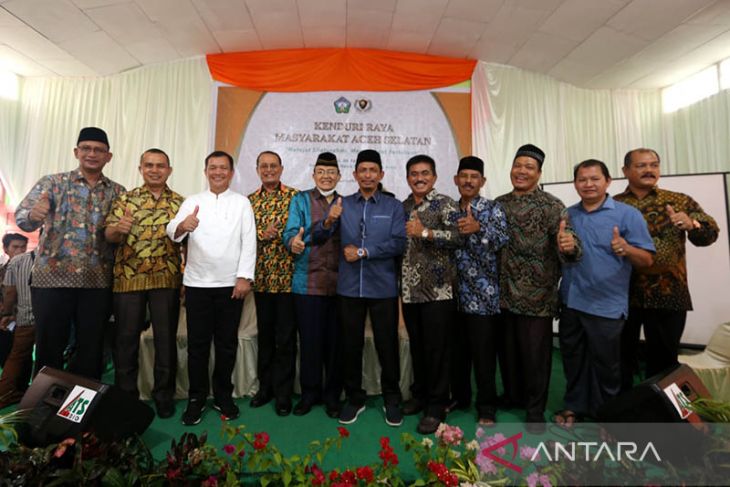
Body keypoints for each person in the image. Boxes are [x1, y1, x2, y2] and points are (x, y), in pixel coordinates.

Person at [15, 127, 125, 380]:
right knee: (48, 348)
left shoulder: (118, 192)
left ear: (109, 157)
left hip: (96, 283)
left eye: (99, 150)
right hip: (52, 280)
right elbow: (23, 219)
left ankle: (80, 414)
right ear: (76, 152)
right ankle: (40, 412)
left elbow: (120, 237)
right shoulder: (52, 183)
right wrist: (33, 215)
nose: (92, 154)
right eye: (86, 148)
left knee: (91, 350)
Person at [556, 159, 655, 426]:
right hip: (572, 301)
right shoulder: (568, 215)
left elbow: (646, 259)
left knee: (607, 366)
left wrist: (627, 248)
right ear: (575, 183)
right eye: (582, 179)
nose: (588, 184)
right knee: (573, 360)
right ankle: (574, 407)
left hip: (606, 305)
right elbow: (566, 258)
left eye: (594, 179)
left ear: (608, 181)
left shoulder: (627, 215)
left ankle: (608, 418)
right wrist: (563, 248)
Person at [314, 149, 406, 426]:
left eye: (372, 170)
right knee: (350, 346)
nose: (367, 175)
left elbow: (399, 243)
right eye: (362, 170)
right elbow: (319, 236)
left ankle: (392, 398)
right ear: (354, 175)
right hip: (350, 289)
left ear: (381, 175)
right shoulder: (344, 204)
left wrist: (364, 252)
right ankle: (355, 398)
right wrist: (330, 219)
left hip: (383, 289)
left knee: (386, 346)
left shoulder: (393, 206)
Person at [615, 148, 719, 389]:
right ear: (626, 171)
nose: (649, 170)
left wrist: (692, 223)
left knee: (665, 366)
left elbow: (709, 234)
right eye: (641, 165)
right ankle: (623, 418)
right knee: (620, 362)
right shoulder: (614, 205)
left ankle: (667, 421)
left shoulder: (679, 201)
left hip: (668, 294)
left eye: (654, 164)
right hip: (622, 296)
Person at [166, 150, 256, 426]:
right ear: (205, 172)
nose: (217, 172)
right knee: (197, 346)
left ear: (231, 173)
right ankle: (196, 397)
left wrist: (244, 278)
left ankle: (222, 395)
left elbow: (249, 241)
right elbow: (172, 231)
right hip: (197, 285)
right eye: (212, 168)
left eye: (223, 168)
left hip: (231, 286)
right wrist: (184, 224)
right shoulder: (193, 201)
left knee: (227, 345)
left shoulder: (242, 203)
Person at [495, 144, 581, 432]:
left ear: (539, 173)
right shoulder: (499, 203)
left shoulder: (552, 206)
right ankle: (512, 396)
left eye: (528, 167)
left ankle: (534, 409)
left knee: (536, 358)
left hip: (538, 297)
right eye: (517, 165)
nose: (521, 171)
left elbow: (568, 245)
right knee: (508, 354)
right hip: (504, 294)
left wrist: (570, 246)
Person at [105, 148, 183, 418]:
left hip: (166, 278)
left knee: (165, 341)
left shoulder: (181, 203)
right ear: (140, 169)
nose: (154, 170)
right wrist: (118, 229)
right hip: (129, 279)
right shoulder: (125, 199)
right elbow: (109, 234)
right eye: (149, 165)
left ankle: (164, 395)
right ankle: (126, 396)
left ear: (169, 170)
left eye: (160, 165)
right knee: (126, 342)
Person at [400, 154, 461, 434]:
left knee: (438, 350)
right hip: (411, 292)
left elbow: (460, 238)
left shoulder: (446, 204)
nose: (419, 178)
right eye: (414, 174)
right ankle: (420, 395)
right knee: (419, 347)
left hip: (438, 292)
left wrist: (425, 232)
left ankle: (437, 406)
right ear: (408, 177)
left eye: (425, 173)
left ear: (434, 177)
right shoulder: (403, 206)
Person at [449, 156, 509, 426]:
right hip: (453, 296)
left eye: (474, 177)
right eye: (464, 176)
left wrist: (478, 228)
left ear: (482, 181)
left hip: (483, 297)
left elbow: (501, 240)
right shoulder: (449, 211)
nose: (468, 181)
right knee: (457, 353)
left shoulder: (492, 209)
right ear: (456, 180)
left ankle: (487, 406)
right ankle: (460, 398)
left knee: (484, 355)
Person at [282, 152, 343, 418]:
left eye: (331, 172)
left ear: (339, 176)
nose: (326, 176)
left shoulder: (347, 203)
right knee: (309, 342)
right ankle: (309, 394)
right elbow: (289, 232)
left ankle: (332, 396)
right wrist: (292, 242)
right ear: (314, 174)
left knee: (335, 344)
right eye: (321, 172)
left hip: (341, 285)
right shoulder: (300, 200)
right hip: (307, 283)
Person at [248, 151, 298, 416]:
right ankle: (264, 388)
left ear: (281, 168)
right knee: (265, 338)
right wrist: (260, 234)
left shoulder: (295, 197)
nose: (268, 170)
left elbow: (304, 230)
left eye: (273, 166)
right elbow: (242, 237)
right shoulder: (249, 202)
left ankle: (283, 393)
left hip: (290, 281)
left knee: (286, 340)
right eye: (263, 166)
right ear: (257, 169)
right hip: (262, 281)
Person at [0, 248, 35, 408]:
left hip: (25, 317)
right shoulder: (63, 261)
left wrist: (6, 313)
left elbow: (10, 292)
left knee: (18, 356)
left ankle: (6, 394)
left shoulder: (18, 261)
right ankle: (35, 395)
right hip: (53, 319)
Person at [0, 233, 29, 367]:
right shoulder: (2, 271)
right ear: (5, 249)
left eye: (23, 247)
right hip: (4, 321)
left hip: (23, 320)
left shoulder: (31, 271)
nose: (20, 251)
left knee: (22, 360)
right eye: (15, 247)